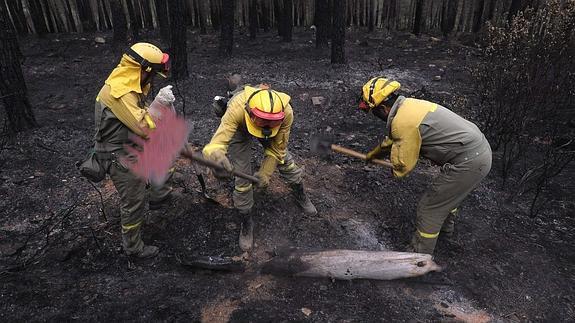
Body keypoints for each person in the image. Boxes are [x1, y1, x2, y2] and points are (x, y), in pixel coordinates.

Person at [358, 77, 492, 255]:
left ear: (383, 109)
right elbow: (395, 140)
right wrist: (374, 155)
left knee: (429, 208)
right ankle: (444, 232)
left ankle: (418, 258)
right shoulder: (408, 107)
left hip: (469, 161)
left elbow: (403, 166)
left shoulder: (402, 122)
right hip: (477, 151)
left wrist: (395, 168)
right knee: (448, 196)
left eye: (373, 112)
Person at [203, 85, 317, 251]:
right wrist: (217, 157)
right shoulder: (236, 108)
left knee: (286, 162)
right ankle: (246, 220)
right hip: (241, 128)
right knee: (242, 176)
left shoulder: (286, 113)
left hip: (275, 131)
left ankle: (300, 193)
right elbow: (216, 144)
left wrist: (265, 173)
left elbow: (277, 149)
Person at [92, 43, 173, 258]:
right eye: (153, 74)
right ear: (143, 69)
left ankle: (158, 196)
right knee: (133, 203)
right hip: (119, 155)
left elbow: (137, 114)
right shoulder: (119, 92)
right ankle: (133, 248)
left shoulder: (128, 83)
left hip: (129, 144)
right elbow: (144, 128)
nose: (153, 79)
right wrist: (158, 106)